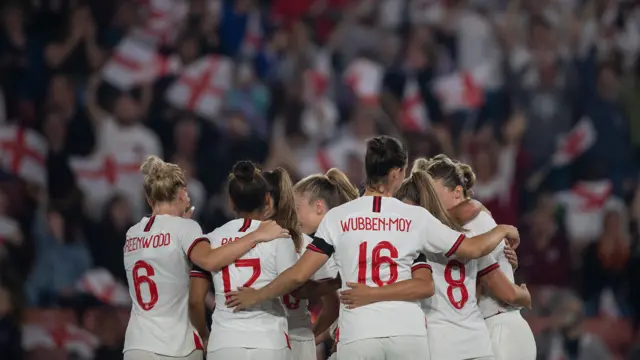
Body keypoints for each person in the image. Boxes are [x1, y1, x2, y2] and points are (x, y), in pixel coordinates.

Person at [226, 135, 520, 360]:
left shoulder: (338, 217)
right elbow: (470, 248)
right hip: (407, 333)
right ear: (396, 173)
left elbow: (299, 275)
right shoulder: (415, 217)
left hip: (360, 333)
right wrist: (503, 229)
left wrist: (258, 294)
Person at [339, 169, 532, 360]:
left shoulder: (409, 246)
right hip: (477, 343)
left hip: (439, 345)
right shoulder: (471, 239)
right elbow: (483, 284)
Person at [123, 156, 288, 360]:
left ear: (149, 199)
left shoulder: (133, 233)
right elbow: (210, 261)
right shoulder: (186, 228)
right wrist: (255, 235)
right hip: (177, 346)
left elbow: (162, 255)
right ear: (183, 194)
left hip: (136, 344)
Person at [418, 155, 537, 360]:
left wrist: (522, 296)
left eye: (435, 196)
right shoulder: (467, 222)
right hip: (499, 326)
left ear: (457, 193)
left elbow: (502, 289)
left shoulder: (474, 225)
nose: (431, 204)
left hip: (500, 329)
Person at [197, 161, 304, 360]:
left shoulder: (211, 239)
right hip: (268, 341)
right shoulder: (279, 236)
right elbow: (293, 285)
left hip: (225, 341)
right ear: (266, 199)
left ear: (231, 201)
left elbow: (196, 295)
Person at [292, 168, 360, 358]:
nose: (293, 216)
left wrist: (308, 340)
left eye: (297, 208)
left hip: (353, 340)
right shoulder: (352, 234)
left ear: (319, 207)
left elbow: (333, 306)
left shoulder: (326, 247)